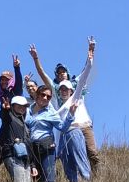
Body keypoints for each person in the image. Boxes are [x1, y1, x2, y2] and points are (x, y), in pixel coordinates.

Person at [30, 39, 100, 172]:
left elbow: (86, 71)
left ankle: (97, 178)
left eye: (63, 71)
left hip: (84, 124)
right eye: (59, 72)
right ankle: (76, 179)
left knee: (92, 153)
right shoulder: (55, 92)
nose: (61, 74)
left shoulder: (77, 88)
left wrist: (91, 51)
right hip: (68, 128)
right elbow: (42, 74)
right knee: (69, 157)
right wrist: (36, 58)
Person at [53, 46, 95, 182]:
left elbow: (83, 78)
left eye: (66, 89)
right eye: (61, 89)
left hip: (75, 132)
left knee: (81, 159)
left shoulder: (75, 97)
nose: (64, 91)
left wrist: (89, 61)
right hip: (64, 136)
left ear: (71, 90)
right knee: (68, 165)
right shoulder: (57, 107)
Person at [0, 96, 37, 182]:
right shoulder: (9, 119)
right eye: (19, 106)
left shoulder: (24, 124)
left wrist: (33, 165)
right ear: (13, 106)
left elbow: (29, 146)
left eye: (24, 106)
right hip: (12, 155)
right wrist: (5, 109)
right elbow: (4, 115)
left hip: (25, 158)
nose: (22, 108)